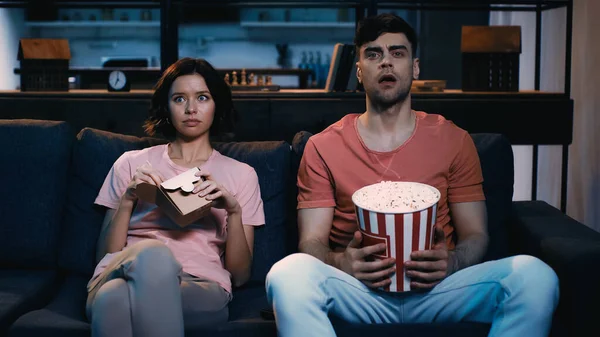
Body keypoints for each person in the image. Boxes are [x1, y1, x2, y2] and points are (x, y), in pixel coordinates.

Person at [265, 13, 559, 337]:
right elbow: (311, 241)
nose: (386, 62)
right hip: (356, 290)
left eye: (397, 52)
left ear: (415, 68)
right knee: (287, 274)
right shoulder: (322, 146)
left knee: (536, 276)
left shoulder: (454, 140)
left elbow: (476, 234)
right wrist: (341, 263)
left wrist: (454, 263)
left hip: (439, 290)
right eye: (374, 54)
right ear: (360, 71)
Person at [87, 57, 265, 337]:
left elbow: (240, 276)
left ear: (216, 105)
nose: (191, 109)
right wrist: (129, 198)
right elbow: (106, 256)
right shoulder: (131, 163)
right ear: (166, 107)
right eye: (179, 99)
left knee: (113, 300)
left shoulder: (242, 174)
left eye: (202, 98)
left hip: (200, 286)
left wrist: (234, 211)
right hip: (125, 270)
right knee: (152, 256)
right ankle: (151, 259)